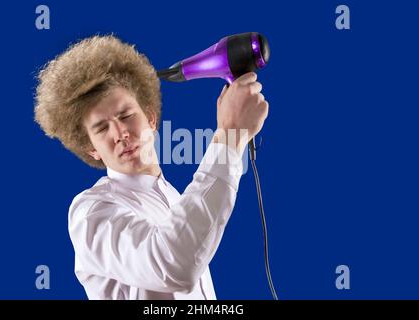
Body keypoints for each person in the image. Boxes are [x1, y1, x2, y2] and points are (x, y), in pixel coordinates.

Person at [34, 35, 269, 300]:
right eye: (101, 128)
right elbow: (172, 264)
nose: (120, 133)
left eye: (126, 116)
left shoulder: (173, 199)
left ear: (151, 119)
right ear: (91, 149)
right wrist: (230, 136)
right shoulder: (91, 213)